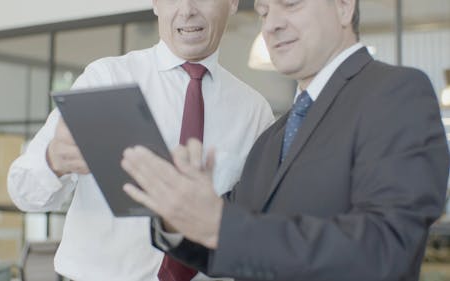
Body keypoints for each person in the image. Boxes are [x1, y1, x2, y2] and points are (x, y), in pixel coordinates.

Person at [121, 0, 450, 280]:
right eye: (264, 12)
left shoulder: (395, 92)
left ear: (344, 6)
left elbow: (385, 248)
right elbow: (227, 228)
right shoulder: (272, 137)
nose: (272, 25)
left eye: (290, 3)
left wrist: (220, 226)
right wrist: (175, 213)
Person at [7, 0, 274, 280]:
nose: (186, 10)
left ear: (232, 3)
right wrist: (53, 162)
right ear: (156, 4)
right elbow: (22, 190)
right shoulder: (106, 78)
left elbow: (254, 226)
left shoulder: (255, 112)